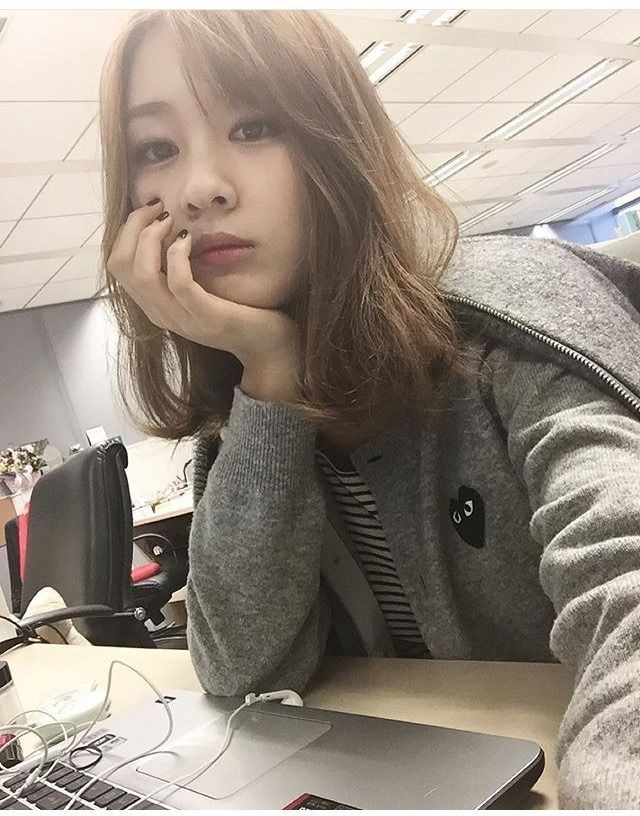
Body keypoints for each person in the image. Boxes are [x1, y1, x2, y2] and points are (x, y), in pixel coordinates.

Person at [100, 9, 640, 809]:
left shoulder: (512, 323)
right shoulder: (250, 409)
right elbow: (243, 673)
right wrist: (271, 374)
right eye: (157, 149)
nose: (199, 187)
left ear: (338, 144)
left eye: (253, 127)